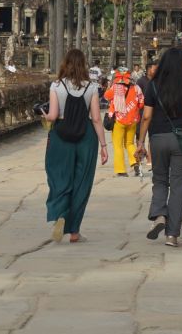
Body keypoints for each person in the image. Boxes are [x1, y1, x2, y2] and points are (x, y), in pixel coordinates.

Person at [136, 47, 182, 247]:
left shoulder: (153, 86)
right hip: (181, 139)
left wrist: (140, 142)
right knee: (179, 186)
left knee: (160, 179)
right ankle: (172, 234)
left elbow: (146, 116)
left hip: (158, 138)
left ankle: (159, 215)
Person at [42, 48, 108, 243]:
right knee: (82, 183)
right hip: (86, 136)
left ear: (66, 64)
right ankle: (74, 231)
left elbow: (53, 116)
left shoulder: (56, 85)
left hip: (61, 134)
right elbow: (96, 118)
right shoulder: (92, 87)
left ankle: (60, 213)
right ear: (83, 65)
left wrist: (45, 116)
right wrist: (104, 146)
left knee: (59, 176)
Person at [105, 69, 144, 177]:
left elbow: (106, 96)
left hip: (119, 120)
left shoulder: (115, 87)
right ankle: (135, 163)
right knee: (130, 143)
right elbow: (141, 104)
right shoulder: (136, 88)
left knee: (118, 146)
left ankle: (121, 170)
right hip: (133, 120)